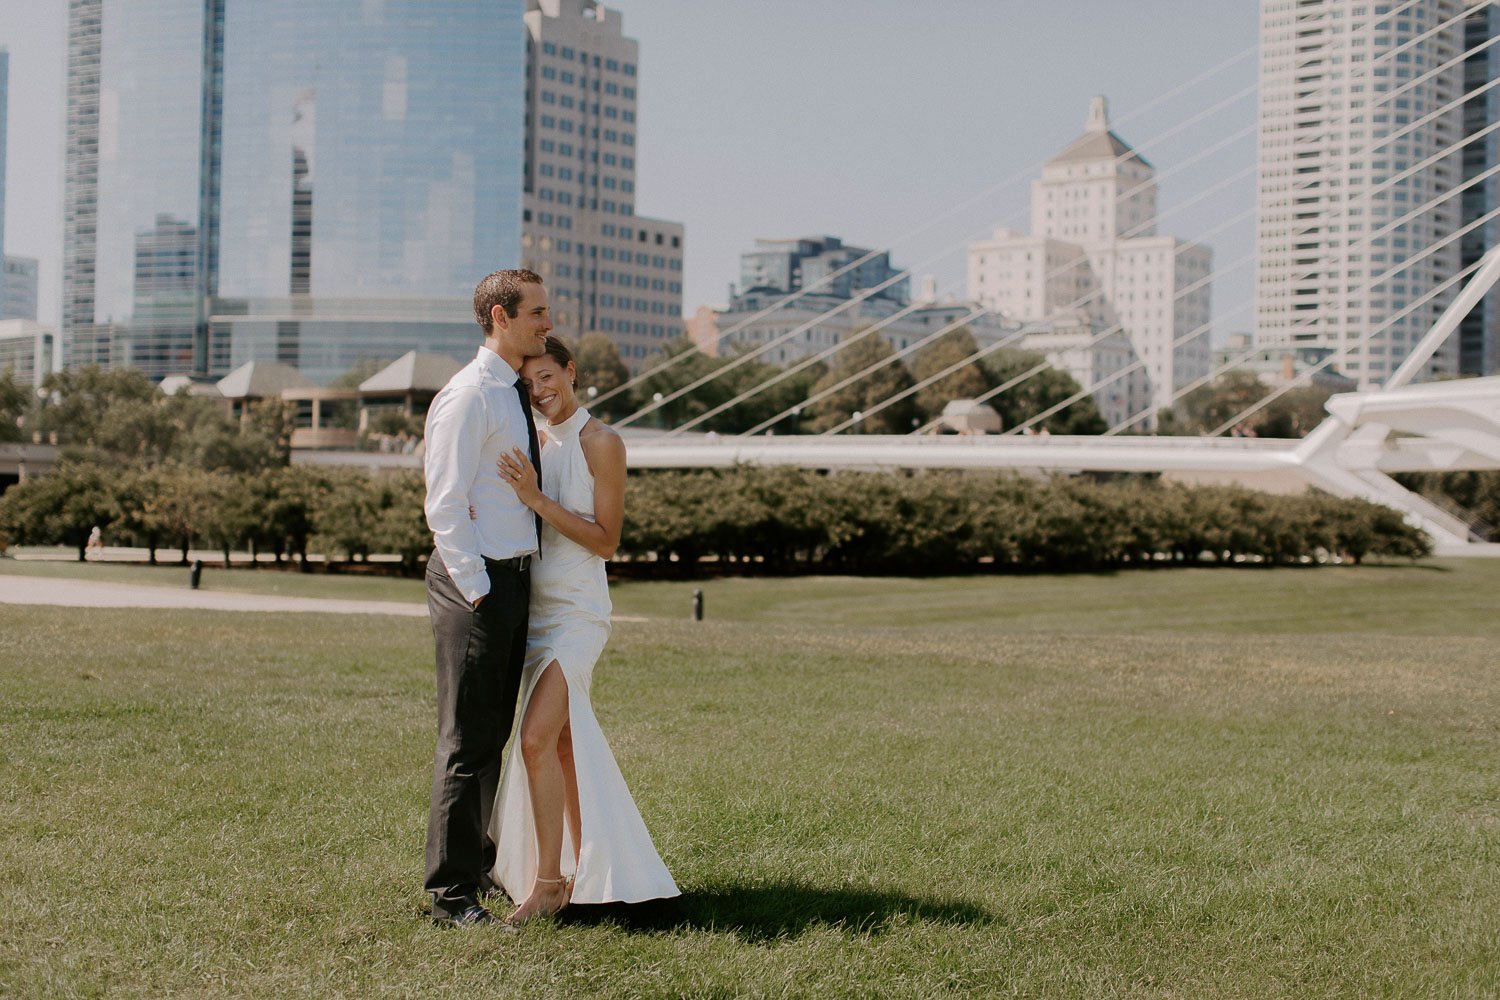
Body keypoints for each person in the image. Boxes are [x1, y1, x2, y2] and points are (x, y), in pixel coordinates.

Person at [489, 335, 679, 924]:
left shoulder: (603, 442)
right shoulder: (530, 442)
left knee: (535, 740)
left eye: (548, 377)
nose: (540, 391)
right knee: (563, 746)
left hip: (577, 616)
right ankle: (587, 870)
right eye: (528, 384)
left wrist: (535, 497)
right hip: (534, 615)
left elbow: (606, 540)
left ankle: (549, 884)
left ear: (571, 371)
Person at [421, 269, 550, 928]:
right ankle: (449, 896)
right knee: (467, 741)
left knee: (492, 736)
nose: (546, 323)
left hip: (511, 580)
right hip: (476, 584)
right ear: (501, 316)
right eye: (536, 312)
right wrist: (477, 590)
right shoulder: (468, 396)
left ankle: (478, 868)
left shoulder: (511, 392)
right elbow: (443, 503)